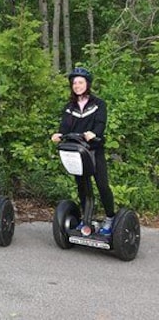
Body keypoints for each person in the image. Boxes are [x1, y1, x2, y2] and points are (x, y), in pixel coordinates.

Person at [51, 67, 116, 235]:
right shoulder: (69, 107)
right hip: (77, 152)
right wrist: (59, 134)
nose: (77, 85)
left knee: (102, 186)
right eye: (74, 83)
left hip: (94, 151)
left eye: (80, 82)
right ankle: (87, 219)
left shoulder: (98, 104)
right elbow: (64, 126)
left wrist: (94, 134)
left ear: (87, 84)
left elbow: (101, 124)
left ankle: (110, 218)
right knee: (82, 186)